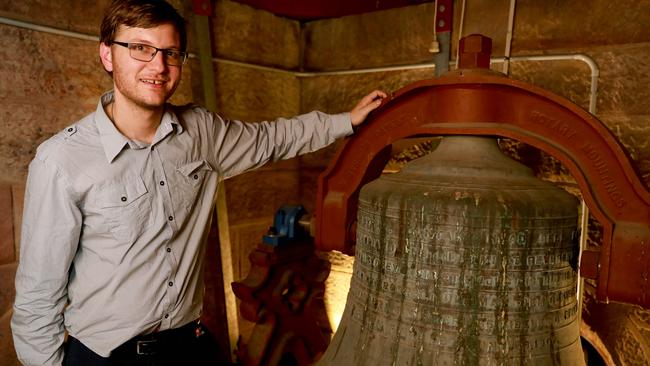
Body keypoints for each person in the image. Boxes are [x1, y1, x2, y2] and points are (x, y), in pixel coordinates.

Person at [10, 0, 386, 365]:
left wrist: (345, 121)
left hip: (188, 346)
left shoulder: (201, 133)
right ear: (107, 55)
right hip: (106, 357)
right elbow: (38, 294)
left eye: (170, 53)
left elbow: (271, 138)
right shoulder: (61, 160)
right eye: (141, 48)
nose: (158, 65)